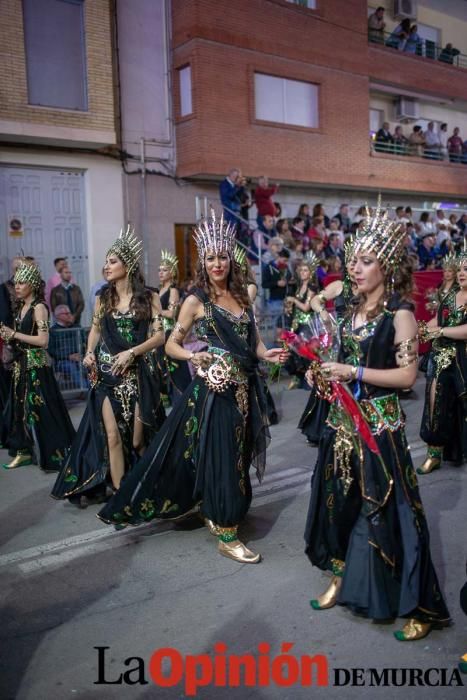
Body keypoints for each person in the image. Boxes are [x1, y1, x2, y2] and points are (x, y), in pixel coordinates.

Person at [98, 211, 288, 563]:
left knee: (240, 453)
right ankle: (227, 533)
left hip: (245, 390)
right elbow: (170, 343)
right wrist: (191, 356)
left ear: (231, 259)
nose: (218, 263)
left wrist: (269, 354)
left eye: (223, 256)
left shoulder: (243, 299)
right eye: (211, 258)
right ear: (204, 261)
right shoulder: (195, 301)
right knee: (222, 456)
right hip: (214, 392)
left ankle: (217, 510)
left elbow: (255, 343)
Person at [304, 200, 450, 641]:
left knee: (394, 513)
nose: (356, 268)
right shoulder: (349, 314)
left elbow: (407, 376)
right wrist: (322, 374)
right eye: (353, 260)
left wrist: (355, 373)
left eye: (367, 261)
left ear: (386, 266)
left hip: (381, 430)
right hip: (341, 426)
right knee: (338, 506)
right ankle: (342, 576)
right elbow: (340, 361)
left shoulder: (400, 314)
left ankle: (417, 603)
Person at [51, 226, 166, 508]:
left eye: (112, 261)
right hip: (107, 375)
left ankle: (147, 481)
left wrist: (132, 352)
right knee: (112, 436)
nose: (106, 266)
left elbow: (160, 336)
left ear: (127, 264)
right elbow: (94, 330)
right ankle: (119, 493)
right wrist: (89, 352)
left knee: (139, 440)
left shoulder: (149, 297)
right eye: (105, 262)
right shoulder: (103, 298)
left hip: (139, 374)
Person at [1, 262, 75, 470]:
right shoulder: (20, 307)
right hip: (21, 364)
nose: (16, 286)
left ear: (32, 285)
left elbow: (43, 341)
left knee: (42, 409)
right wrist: (9, 336)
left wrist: (14, 334)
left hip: (36, 366)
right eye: (15, 283)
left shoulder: (39, 308)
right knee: (18, 409)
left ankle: (57, 452)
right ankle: (23, 450)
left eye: (22, 283)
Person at [418, 246, 467, 473]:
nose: (462, 273)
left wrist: (440, 332)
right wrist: (421, 331)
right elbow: (437, 322)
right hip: (441, 357)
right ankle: (434, 453)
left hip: (463, 359)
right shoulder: (448, 297)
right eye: (461, 269)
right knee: (434, 402)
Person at [157, 250, 191, 400]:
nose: (160, 272)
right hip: (158, 332)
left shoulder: (173, 290)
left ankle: (183, 401)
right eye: (159, 270)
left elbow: (171, 314)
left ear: (172, 272)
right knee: (160, 367)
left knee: (175, 368)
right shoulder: (160, 290)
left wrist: (155, 311)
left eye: (164, 270)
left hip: (169, 332)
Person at [284, 253, 319, 389]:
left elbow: (306, 307)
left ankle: (311, 380)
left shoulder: (312, 288)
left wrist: (293, 300)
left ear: (311, 273)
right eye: (301, 270)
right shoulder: (299, 286)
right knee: (293, 351)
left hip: (307, 325)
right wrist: (289, 306)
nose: (302, 273)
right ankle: (298, 378)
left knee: (307, 353)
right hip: (296, 323)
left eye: (305, 270)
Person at [48, 304, 88, 390]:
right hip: (62, 361)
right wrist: (69, 357)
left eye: (70, 313)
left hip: (80, 357)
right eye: (66, 313)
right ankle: (87, 390)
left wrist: (82, 354)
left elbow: (86, 343)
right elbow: (51, 351)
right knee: (71, 367)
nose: (70, 315)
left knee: (89, 365)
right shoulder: (52, 331)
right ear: (58, 316)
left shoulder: (77, 327)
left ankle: (94, 390)